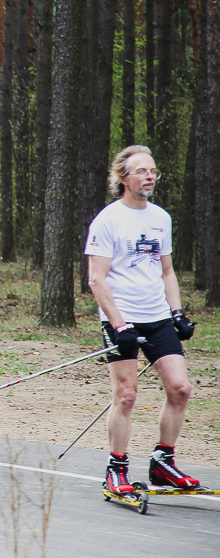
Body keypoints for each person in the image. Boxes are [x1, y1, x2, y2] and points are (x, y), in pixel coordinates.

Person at [86, 145, 199, 495]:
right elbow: (96, 279)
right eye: (142, 172)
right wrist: (119, 325)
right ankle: (116, 468)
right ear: (123, 177)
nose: (150, 177)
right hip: (122, 318)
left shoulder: (161, 218)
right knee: (126, 395)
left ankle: (163, 462)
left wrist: (177, 312)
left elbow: (167, 271)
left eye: (153, 171)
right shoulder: (108, 220)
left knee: (180, 389)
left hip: (157, 316)